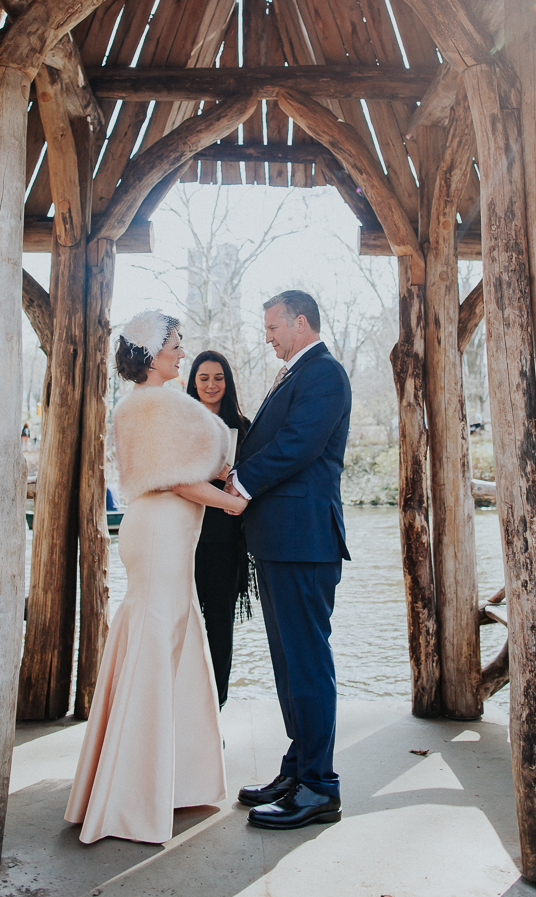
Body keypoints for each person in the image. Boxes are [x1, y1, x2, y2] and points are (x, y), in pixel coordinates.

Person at [64, 310, 248, 845]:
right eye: (174, 344)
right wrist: (231, 505)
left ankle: (158, 780)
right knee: (161, 633)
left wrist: (213, 481)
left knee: (165, 634)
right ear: (150, 354)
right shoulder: (161, 404)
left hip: (156, 530)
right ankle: (134, 792)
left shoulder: (135, 404)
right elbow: (179, 482)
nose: (181, 352)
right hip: (165, 528)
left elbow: (181, 470)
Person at [225, 290, 351, 830]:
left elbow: (299, 444)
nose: (268, 336)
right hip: (281, 542)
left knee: (306, 664)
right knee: (287, 665)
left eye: (273, 327)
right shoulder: (294, 374)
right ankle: (298, 769)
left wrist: (241, 480)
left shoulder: (324, 374)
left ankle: (320, 788)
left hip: (305, 542)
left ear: (301, 322)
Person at [187, 350, 253, 708]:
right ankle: (182, 709)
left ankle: (215, 707)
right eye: (203, 378)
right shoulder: (181, 422)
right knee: (183, 625)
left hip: (225, 540)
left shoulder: (243, 427)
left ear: (227, 383)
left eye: (218, 378)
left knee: (219, 626)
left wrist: (231, 479)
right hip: (183, 537)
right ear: (193, 383)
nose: (211, 385)